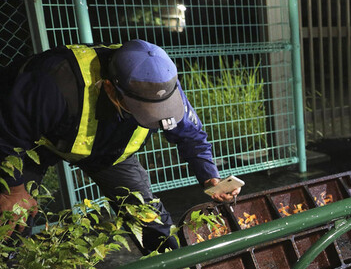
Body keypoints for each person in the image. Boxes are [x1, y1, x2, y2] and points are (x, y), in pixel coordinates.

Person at [0, 39, 240, 253]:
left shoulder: (161, 87)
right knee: (13, 215)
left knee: (149, 219)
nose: (155, 116)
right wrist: (13, 189)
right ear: (110, 89)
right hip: (34, 141)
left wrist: (210, 178)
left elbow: (192, 136)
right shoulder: (53, 82)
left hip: (109, 152)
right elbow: (6, 132)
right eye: (145, 111)